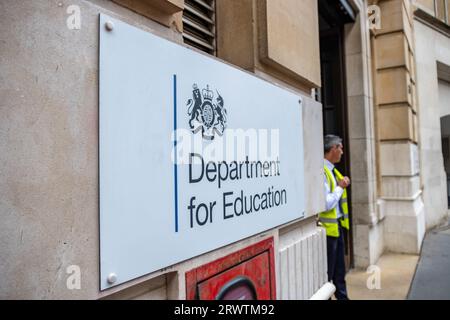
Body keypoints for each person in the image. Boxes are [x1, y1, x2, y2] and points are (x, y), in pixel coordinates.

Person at [320, 134, 351, 300]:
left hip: (337, 228)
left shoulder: (333, 171)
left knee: (340, 272)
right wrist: (340, 187)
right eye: (340, 147)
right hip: (328, 233)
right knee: (327, 275)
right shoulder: (322, 171)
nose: (342, 151)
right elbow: (326, 204)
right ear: (333, 149)